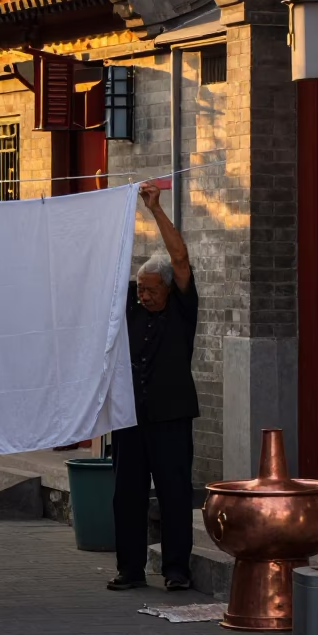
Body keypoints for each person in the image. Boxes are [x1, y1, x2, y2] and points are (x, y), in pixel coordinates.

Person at [108, 179, 199, 592]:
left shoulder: (181, 307)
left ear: (167, 288)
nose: (143, 295)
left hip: (171, 416)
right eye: (140, 289)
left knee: (175, 494)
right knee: (127, 494)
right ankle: (129, 569)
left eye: (150, 290)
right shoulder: (129, 302)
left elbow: (179, 257)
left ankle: (176, 570)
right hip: (130, 416)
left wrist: (154, 210)